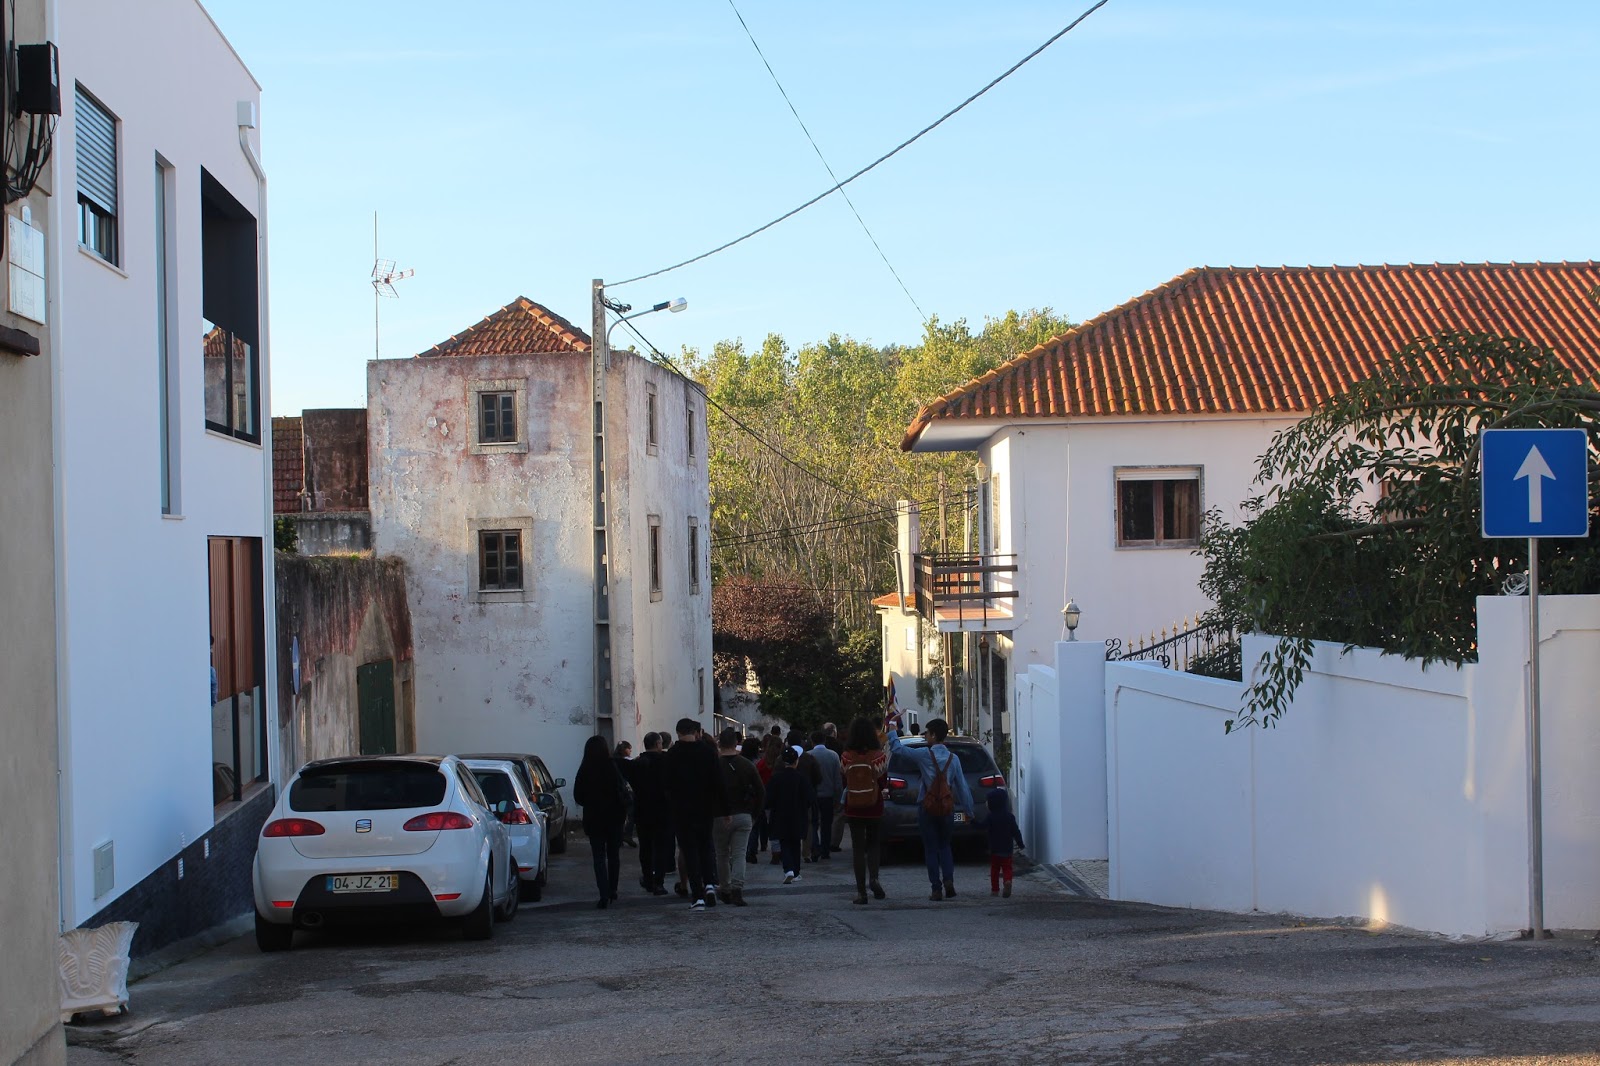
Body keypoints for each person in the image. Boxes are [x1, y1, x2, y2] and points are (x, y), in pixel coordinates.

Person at [887, 717, 975, 901]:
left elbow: (898, 749)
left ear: (934, 735)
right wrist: (969, 811)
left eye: (927, 733)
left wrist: (892, 729)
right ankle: (949, 880)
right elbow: (962, 787)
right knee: (945, 846)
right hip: (947, 808)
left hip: (927, 808)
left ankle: (936, 889)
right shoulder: (954, 759)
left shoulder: (924, 755)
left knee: (931, 849)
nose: (925, 736)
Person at [665, 717, 730, 910]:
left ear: (678, 733)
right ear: (695, 732)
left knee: (689, 850)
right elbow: (719, 782)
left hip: (682, 810)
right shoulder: (708, 752)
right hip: (705, 808)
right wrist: (725, 810)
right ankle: (709, 884)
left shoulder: (672, 755)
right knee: (706, 846)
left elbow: (666, 785)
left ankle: (697, 896)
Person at [572, 734, 630, 909]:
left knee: (598, 857)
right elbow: (622, 790)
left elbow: (578, 796)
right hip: (615, 817)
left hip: (594, 818)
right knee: (613, 855)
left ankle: (603, 893)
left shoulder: (585, 769)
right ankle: (613, 889)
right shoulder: (612, 766)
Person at [840, 716, 888, 905]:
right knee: (874, 844)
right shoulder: (878, 756)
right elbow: (883, 782)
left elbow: (844, 781)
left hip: (853, 807)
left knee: (858, 849)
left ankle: (861, 892)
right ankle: (874, 879)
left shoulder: (846, 757)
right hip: (874, 806)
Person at [714, 727, 764, 906]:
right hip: (743, 813)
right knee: (739, 854)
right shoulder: (746, 765)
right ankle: (737, 889)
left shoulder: (714, 765)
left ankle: (725, 888)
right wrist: (754, 814)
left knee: (721, 854)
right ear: (736, 743)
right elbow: (760, 791)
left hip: (719, 815)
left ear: (719, 743)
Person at [631, 732, 673, 895]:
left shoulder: (638, 763)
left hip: (642, 810)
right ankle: (659, 881)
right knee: (661, 847)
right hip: (663, 810)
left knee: (645, 847)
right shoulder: (666, 762)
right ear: (657, 744)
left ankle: (648, 878)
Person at [765, 747, 812, 884]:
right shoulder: (802, 778)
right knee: (796, 843)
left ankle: (788, 869)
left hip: (780, 815)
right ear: (796, 761)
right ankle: (796, 872)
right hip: (798, 814)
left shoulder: (776, 778)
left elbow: (768, 799)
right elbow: (809, 798)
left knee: (784, 842)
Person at [986, 786, 1025, 898]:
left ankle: (995, 890)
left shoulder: (990, 817)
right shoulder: (1010, 817)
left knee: (995, 869)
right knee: (1007, 868)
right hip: (1007, 849)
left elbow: (982, 826)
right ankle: (1007, 881)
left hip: (995, 849)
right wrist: (1020, 843)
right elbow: (1016, 831)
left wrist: (973, 822)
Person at [808, 732, 842, 861]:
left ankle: (814, 847)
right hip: (828, 795)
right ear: (825, 741)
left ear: (812, 741)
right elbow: (837, 779)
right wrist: (838, 797)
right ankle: (825, 850)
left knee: (813, 823)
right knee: (827, 824)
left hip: (813, 795)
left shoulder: (808, 755)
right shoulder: (833, 755)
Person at [757, 733, 784, 864]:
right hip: (782, 797)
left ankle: (775, 852)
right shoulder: (783, 762)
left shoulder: (762, 763)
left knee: (772, 825)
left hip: (767, 797)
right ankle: (784, 850)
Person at [614, 741, 637, 848]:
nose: (630, 750)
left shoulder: (613, 761)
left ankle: (618, 837)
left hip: (616, 792)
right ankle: (627, 834)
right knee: (631, 813)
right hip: (627, 790)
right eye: (629, 748)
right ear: (624, 749)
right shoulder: (628, 761)